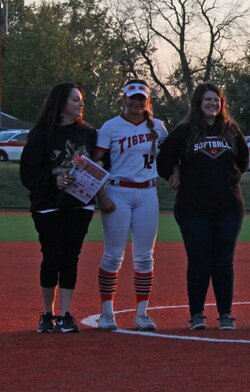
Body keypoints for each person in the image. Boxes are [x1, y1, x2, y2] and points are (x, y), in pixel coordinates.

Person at [157, 84, 250, 330]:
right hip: (193, 206)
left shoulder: (230, 130)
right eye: (208, 99)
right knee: (198, 260)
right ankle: (196, 313)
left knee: (223, 260)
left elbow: (243, 160)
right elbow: (163, 159)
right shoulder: (185, 131)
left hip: (228, 206)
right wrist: (174, 172)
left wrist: (227, 179)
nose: (213, 104)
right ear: (198, 103)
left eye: (217, 100)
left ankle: (225, 314)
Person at [20, 83, 98, 333]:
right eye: (75, 100)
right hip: (49, 205)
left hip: (79, 204)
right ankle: (47, 313)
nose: (80, 104)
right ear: (61, 103)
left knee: (70, 258)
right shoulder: (42, 134)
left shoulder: (88, 134)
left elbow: (99, 164)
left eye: (81, 100)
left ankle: (65, 315)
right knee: (52, 257)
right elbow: (28, 173)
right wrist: (54, 180)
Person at [93, 79, 168, 331]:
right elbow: (97, 162)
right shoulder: (111, 127)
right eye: (132, 97)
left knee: (145, 257)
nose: (136, 102)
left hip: (147, 192)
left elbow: (169, 158)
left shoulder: (157, 126)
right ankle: (106, 313)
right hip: (117, 190)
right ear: (123, 98)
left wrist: (176, 171)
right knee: (113, 255)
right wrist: (100, 194)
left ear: (148, 101)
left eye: (141, 98)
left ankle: (142, 314)